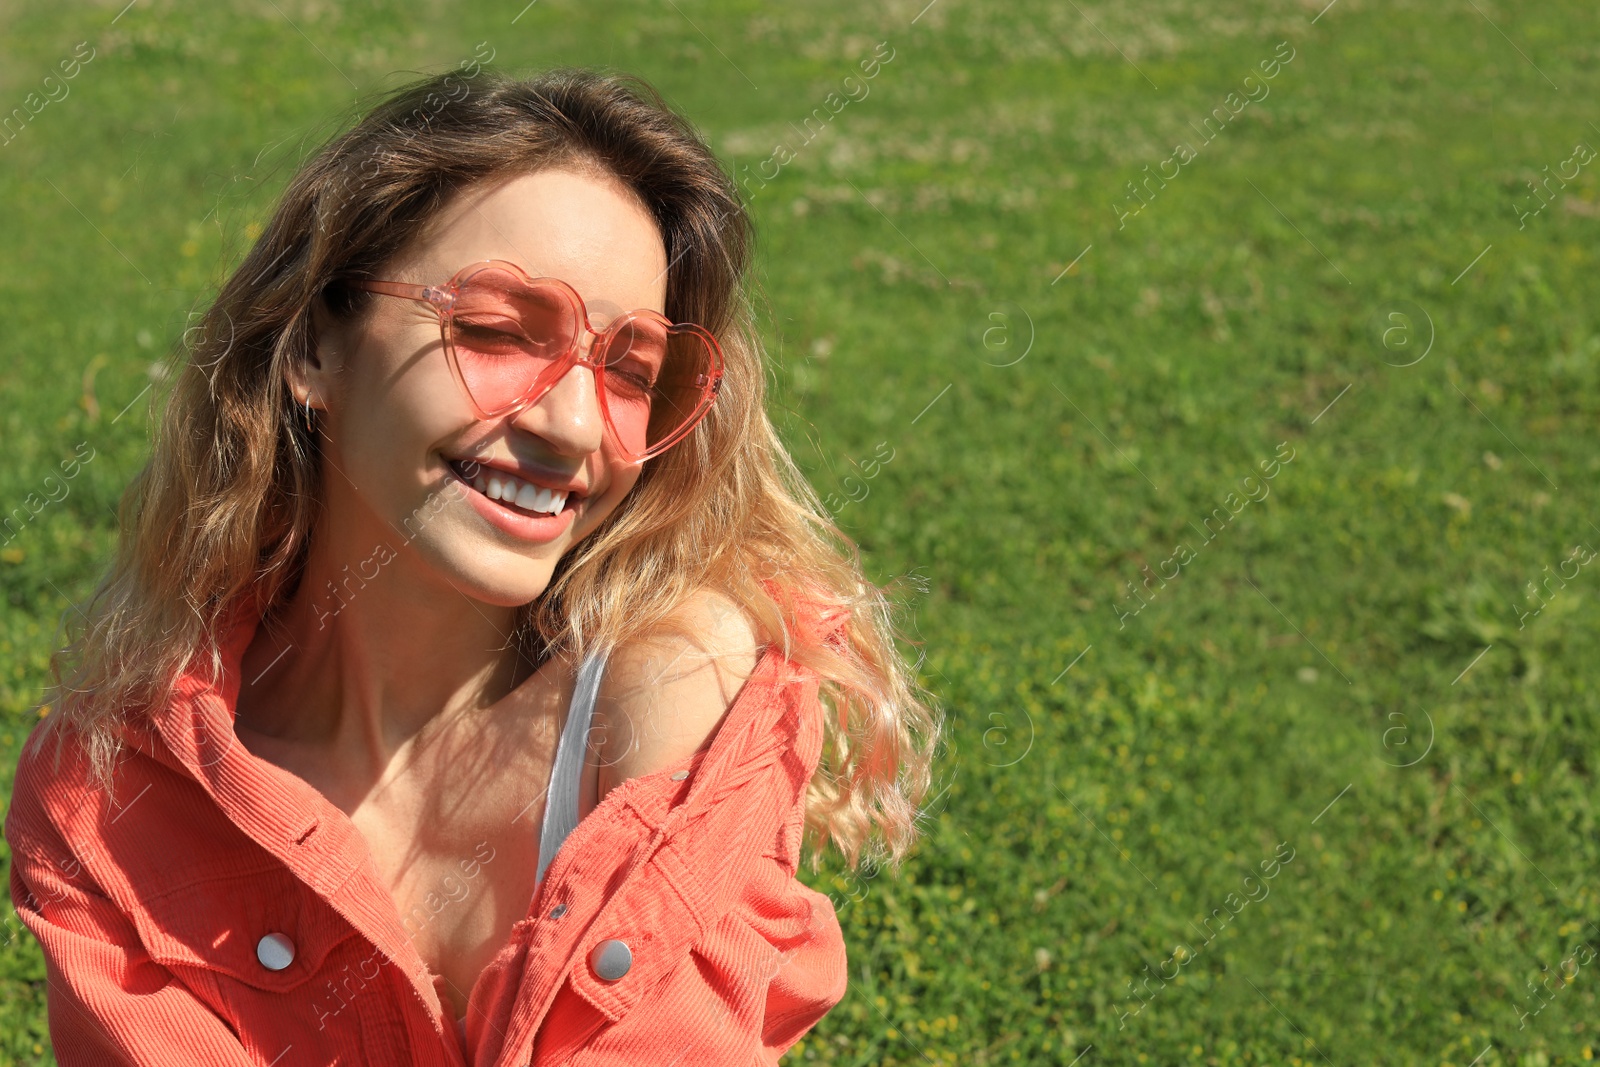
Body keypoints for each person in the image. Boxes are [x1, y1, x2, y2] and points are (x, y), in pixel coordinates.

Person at [5, 65, 941, 1065]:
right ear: (317, 344)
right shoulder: (117, 791)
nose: (574, 424)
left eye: (630, 368)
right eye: (496, 331)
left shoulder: (668, 689)